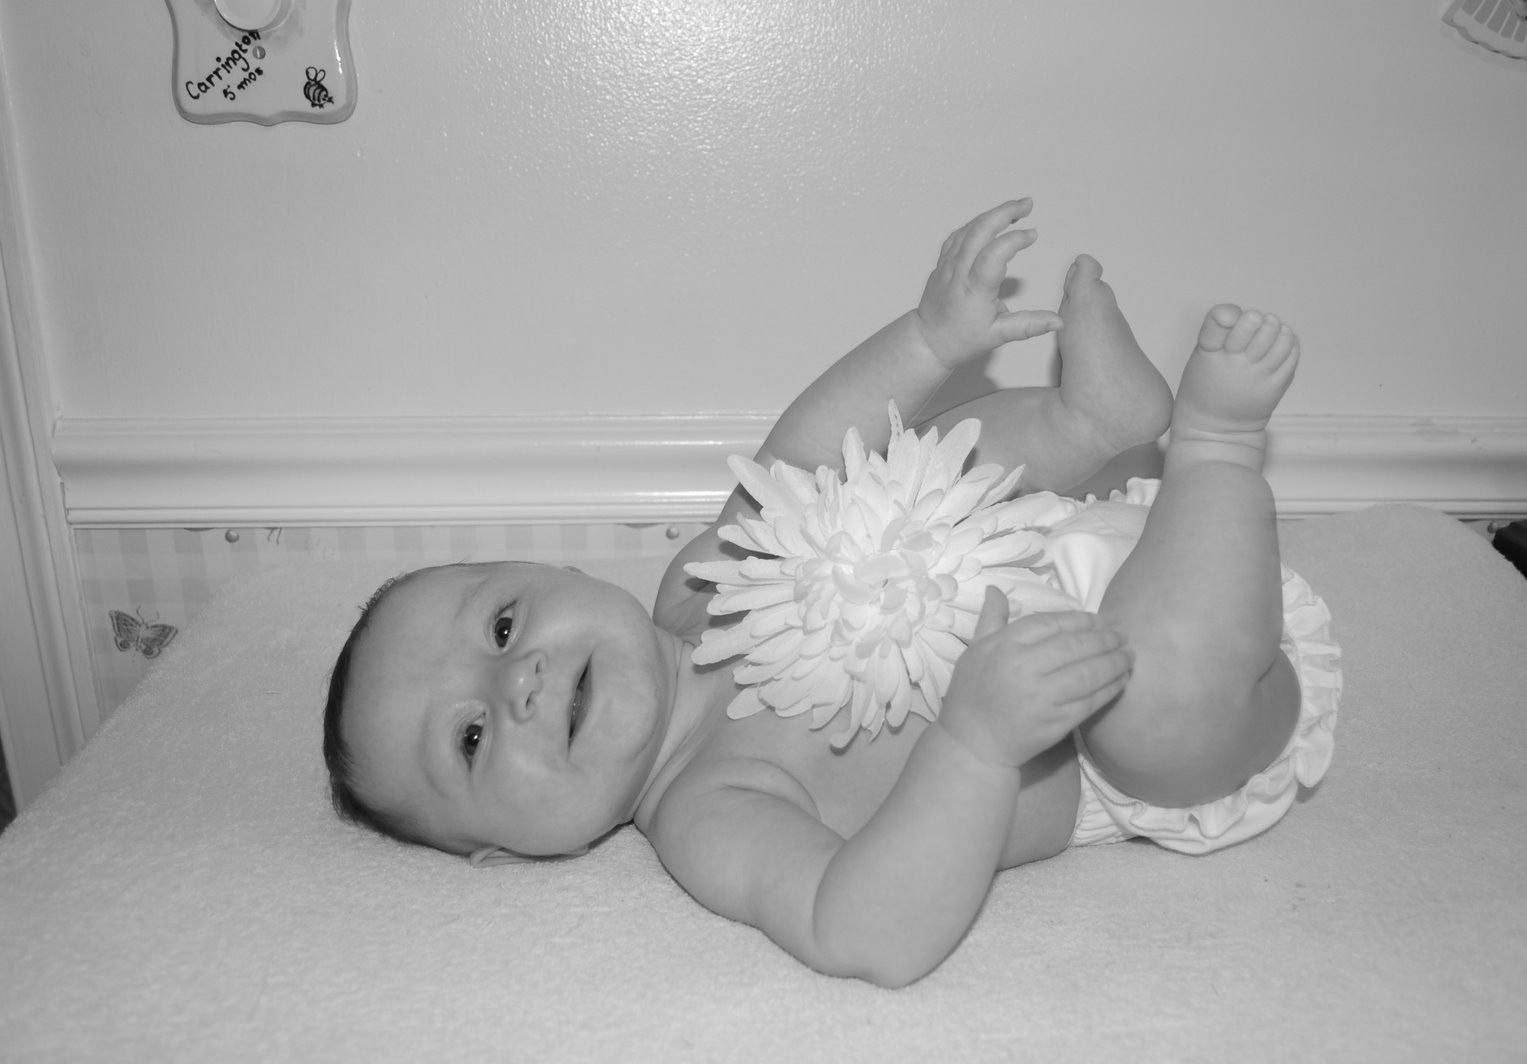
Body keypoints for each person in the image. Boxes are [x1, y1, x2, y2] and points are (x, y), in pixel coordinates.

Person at [323, 199, 1338, 988]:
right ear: (505, 853)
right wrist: (977, 744)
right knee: (1150, 715)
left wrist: (929, 339)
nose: (520, 683)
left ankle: (1088, 421)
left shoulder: (696, 586)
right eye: (469, 738)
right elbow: (863, 930)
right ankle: (1217, 450)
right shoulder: (708, 811)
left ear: (569, 575)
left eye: (504, 624)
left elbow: (805, 449)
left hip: (1066, 544)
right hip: (1126, 720)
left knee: (880, 476)